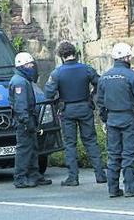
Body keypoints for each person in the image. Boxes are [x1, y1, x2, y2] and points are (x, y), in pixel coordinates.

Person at [43, 41, 107, 186]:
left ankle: (73, 177)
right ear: (75, 54)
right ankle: (100, 174)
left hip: (67, 110)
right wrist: (92, 94)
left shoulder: (57, 73)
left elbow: (48, 93)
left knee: (70, 144)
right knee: (91, 141)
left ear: (61, 56)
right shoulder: (86, 69)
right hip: (85, 107)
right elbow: (100, 83)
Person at [97, 42, 134, 198]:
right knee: (129, 154)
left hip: (112, 119)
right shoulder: (132, 76)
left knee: (113, 154)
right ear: (127, 57)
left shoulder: (105, 76)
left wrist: (105, 119)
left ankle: (113, 189)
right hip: (129, 120)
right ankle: (130, 187)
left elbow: (99, 102)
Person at [9, 52, 52, 188]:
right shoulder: (19, 82)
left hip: (29, 119)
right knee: (24, 149)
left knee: (33, 148)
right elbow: (21, 106)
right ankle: (20, 177)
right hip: (24, 121)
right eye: (29, 64)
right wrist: (26, 122)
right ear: (22, 66)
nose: (32, 67)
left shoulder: (23, 80)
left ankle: (34, 174)